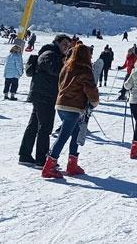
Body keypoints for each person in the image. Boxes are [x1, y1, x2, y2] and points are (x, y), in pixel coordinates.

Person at [41, 44, 99, 178]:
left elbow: (60, 84)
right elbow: (90, 87)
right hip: (73, 107)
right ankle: (49, 166)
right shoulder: (84, 69)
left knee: (75, 132)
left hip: (61, 105)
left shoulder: (67, 66)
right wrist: (94, 101)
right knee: (63, 136)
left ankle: (72, 164)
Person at [18, 34, 71, 168]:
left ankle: (25, 155)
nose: (66, 47)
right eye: (64, 44)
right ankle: (41, 159)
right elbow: (52, 69)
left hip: (43, 94)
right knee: (45, 127)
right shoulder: (49, 53)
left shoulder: (54, 54)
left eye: (68, 45)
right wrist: (65, 65)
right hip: (44, 95)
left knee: (35, 125)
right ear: (57, 42)